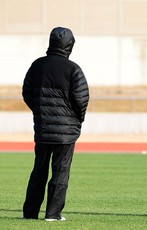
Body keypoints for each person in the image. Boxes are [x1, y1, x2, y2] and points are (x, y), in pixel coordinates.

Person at [22, 27, 89, 221]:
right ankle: (52, 214)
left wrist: (40, 111)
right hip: (66, 132)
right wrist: (77, 119)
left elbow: (27, 93)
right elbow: (81, 99)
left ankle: (30, 213)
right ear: (70, 45)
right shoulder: (73, 69)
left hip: (43, 127)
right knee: (61, 171)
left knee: (39, 170)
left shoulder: (37, 66)